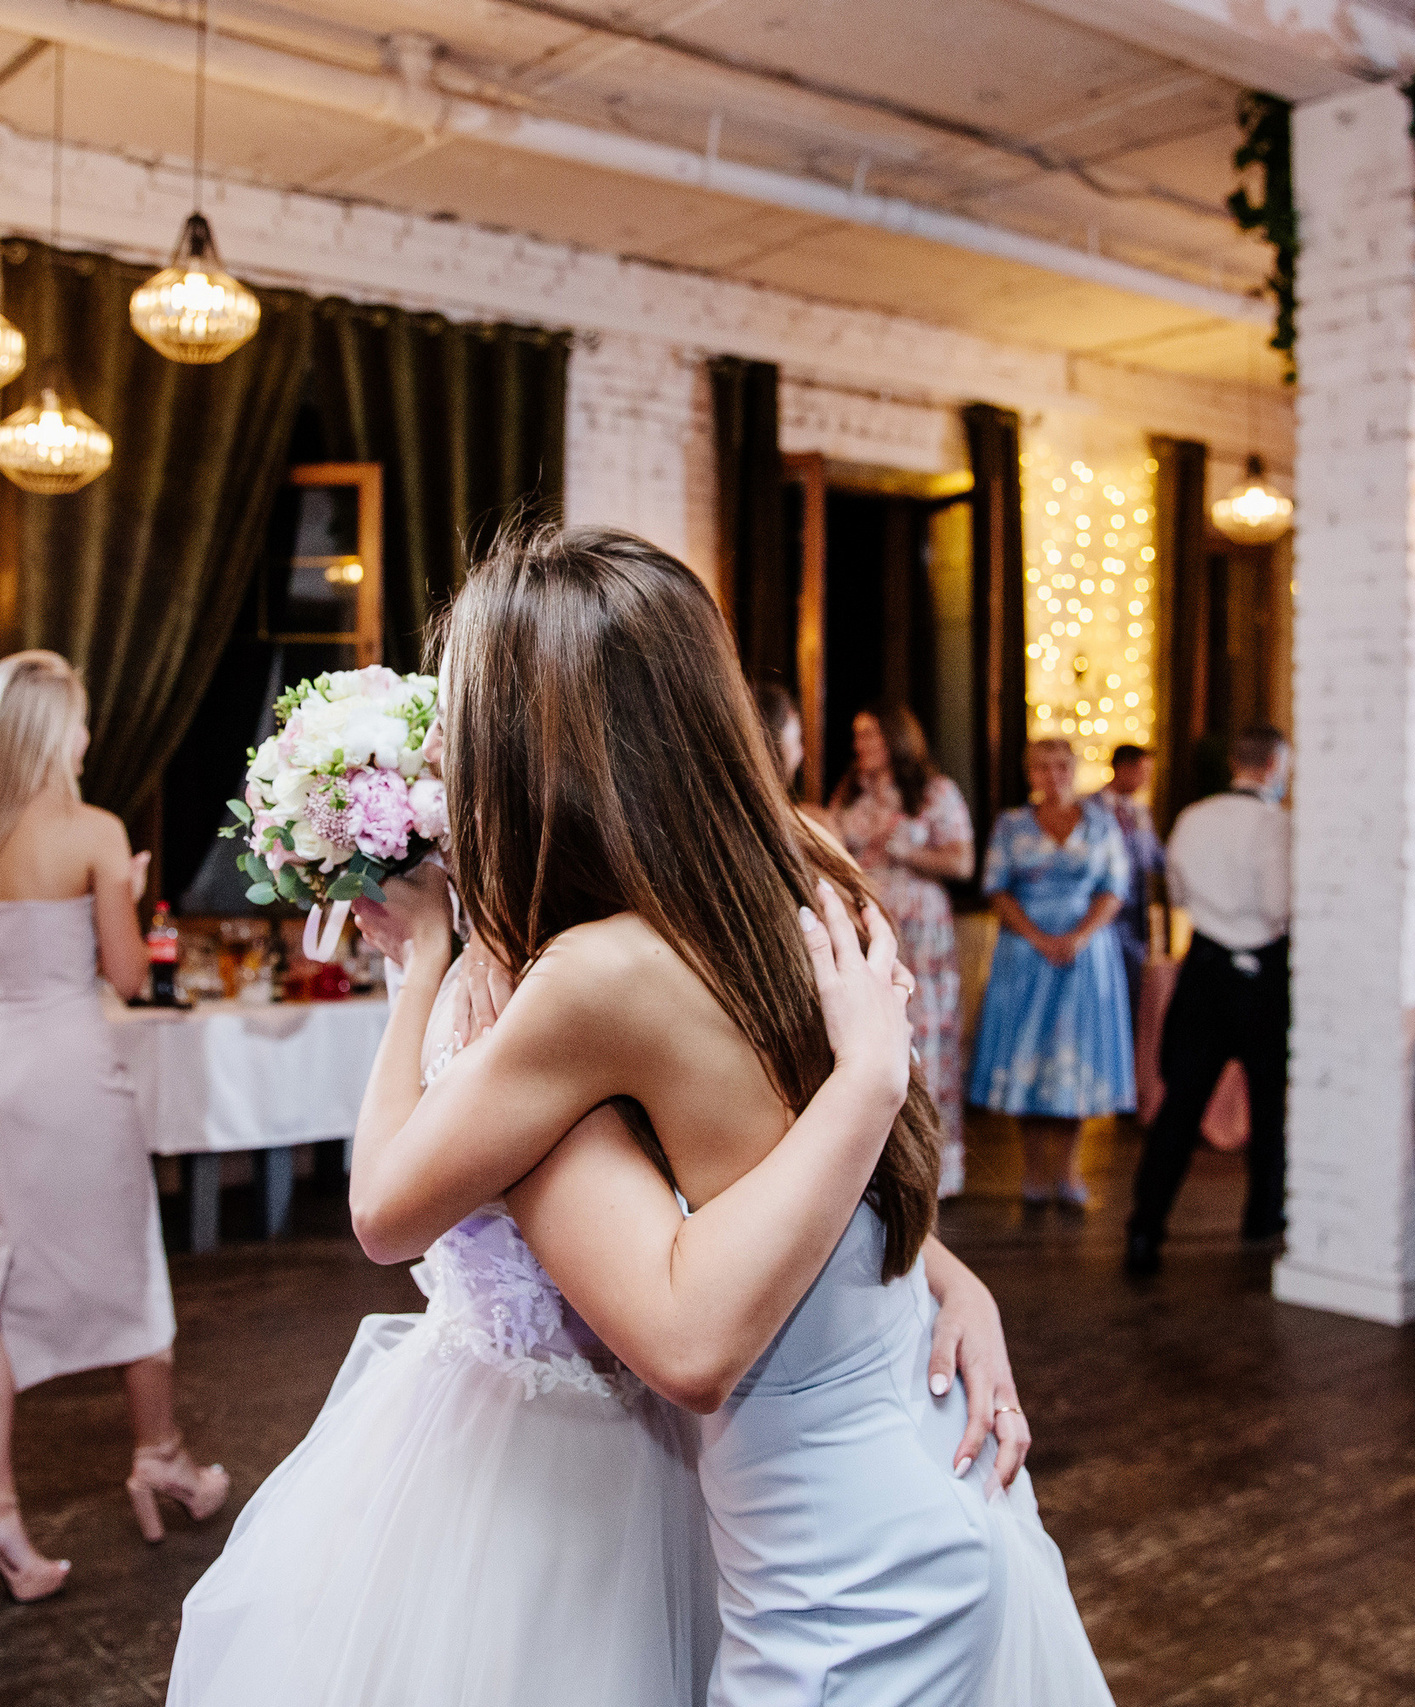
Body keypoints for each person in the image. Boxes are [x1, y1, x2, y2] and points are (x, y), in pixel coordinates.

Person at [170, 527, 1106, 1706]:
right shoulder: (793, 871)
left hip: (842, 1585)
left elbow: (667, 1334)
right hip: (942, 1491)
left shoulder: (592, 977)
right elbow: (786, 1163)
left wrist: (423, 969)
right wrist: (950, 1277)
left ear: (526, 746)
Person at [0, 652, 226, 1613]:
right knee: (131, 1259)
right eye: (78, 720)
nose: (88, 736)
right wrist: (130, 885)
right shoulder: (95, 830)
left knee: (3, 1281)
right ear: (48, 732)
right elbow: (125, 972)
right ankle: (160, 1456)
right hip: (69, 1073)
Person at [1125, 725, 1293, 1277]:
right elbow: (1275, 908)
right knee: (1269, 1109)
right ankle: (1262, 1224)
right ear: (1272, 765)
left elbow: (1178, 894)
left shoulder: (1192, 818)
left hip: (1204, 970)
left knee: (1181, 1107)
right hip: (1262, 976)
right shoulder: (1275, 825)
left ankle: (1145, 1230)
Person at [967, 737, 1136, 1208]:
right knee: (1031, 1055)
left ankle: (1070, 1171)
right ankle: (1033, 1171)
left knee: (1076, 1056)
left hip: (1086, 953)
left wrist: (1078, 936)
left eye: (1062, 766)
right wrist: (1038, 937)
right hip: (1025, 953)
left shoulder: (1102, 824)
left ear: (1075, 770)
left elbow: (1114, 888)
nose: (1053, 775)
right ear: (1030, 774)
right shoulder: (1010, 824)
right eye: (1042, 767)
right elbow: (996, 888)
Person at [829, 703, 976, 1194]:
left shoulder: (935, 792)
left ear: (895, 738)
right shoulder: (850, 791)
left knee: (926, 1033)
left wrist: (903, 850)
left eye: (870, 734)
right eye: (857, 735)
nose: (861, 745)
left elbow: (962, 860)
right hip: (868, 922)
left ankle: (931, 1164)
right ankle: (879, 1163)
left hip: (921, 929)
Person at [1096, 744, 1164, 1015]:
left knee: (1131, 998)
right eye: (1143, 772)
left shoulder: (1140, 812)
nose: (1147, 780)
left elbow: (1156, 858)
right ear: (1123, 769)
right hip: (1099, 919)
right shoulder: (1088, 809)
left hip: (1134, 923)